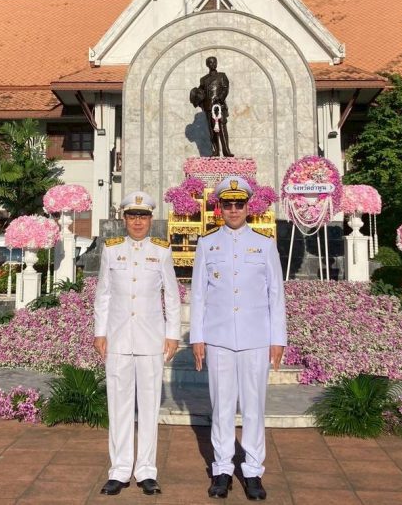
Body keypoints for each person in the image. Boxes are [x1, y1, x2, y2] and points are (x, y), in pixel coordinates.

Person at [190, 176, 286, 501]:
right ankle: (222, 469)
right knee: (222, 407)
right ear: (219, 208)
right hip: (218, 337)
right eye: (227, 204)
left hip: (256, 337)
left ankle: (254, 471)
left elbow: (276, 294)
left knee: (254, 407)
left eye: (239, 204)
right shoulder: (207, 244)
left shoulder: (264, 244)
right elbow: (199, 294)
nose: (233, 210)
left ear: (248, 207)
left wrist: (278, 338)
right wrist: (198, 337)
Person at [94, 191, 181, 496]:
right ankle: (119, 470)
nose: (138, 222)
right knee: (118, 406)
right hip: (118, 338)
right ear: (124, 219)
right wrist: (100, 332)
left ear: (151, 219)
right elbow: (103, 294)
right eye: (133, 216)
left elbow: (172, 296)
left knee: (148, 407)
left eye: (143, 216)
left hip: (150, 339)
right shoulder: (111, 250)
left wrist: (172, 335)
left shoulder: (162, 251)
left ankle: (146, 470)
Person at [192, 56, 234, 157]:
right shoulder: (203, 79)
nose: (213, 64)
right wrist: (195, 96)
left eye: (214, 62)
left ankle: (226, 151)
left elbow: (225, 88)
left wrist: (220, 98)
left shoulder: (222, 76)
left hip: (219, 106)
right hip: (208, 107)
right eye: (211, 63)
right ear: (207, 65)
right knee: (212, 130)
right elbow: (200, 92)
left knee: (222, 127)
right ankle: (216, 151)